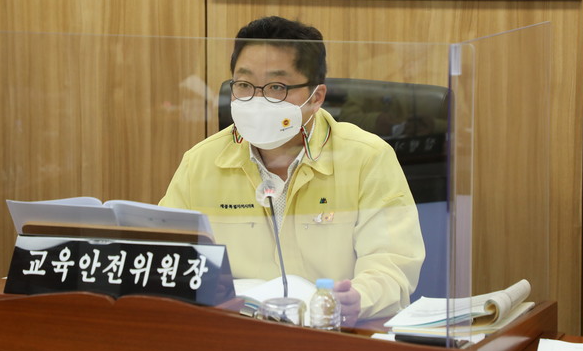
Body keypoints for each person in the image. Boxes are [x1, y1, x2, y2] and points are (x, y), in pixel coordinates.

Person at [159, 16, 425, 325]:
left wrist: (357, 298)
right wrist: (197, 281)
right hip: (234, 331)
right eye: (244, 85)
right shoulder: (201, 162)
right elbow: (168, 254)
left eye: (277, 87)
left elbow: (392, 263)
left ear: (316, 97)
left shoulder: (366, 157)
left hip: (333, 332)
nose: (257, 100)